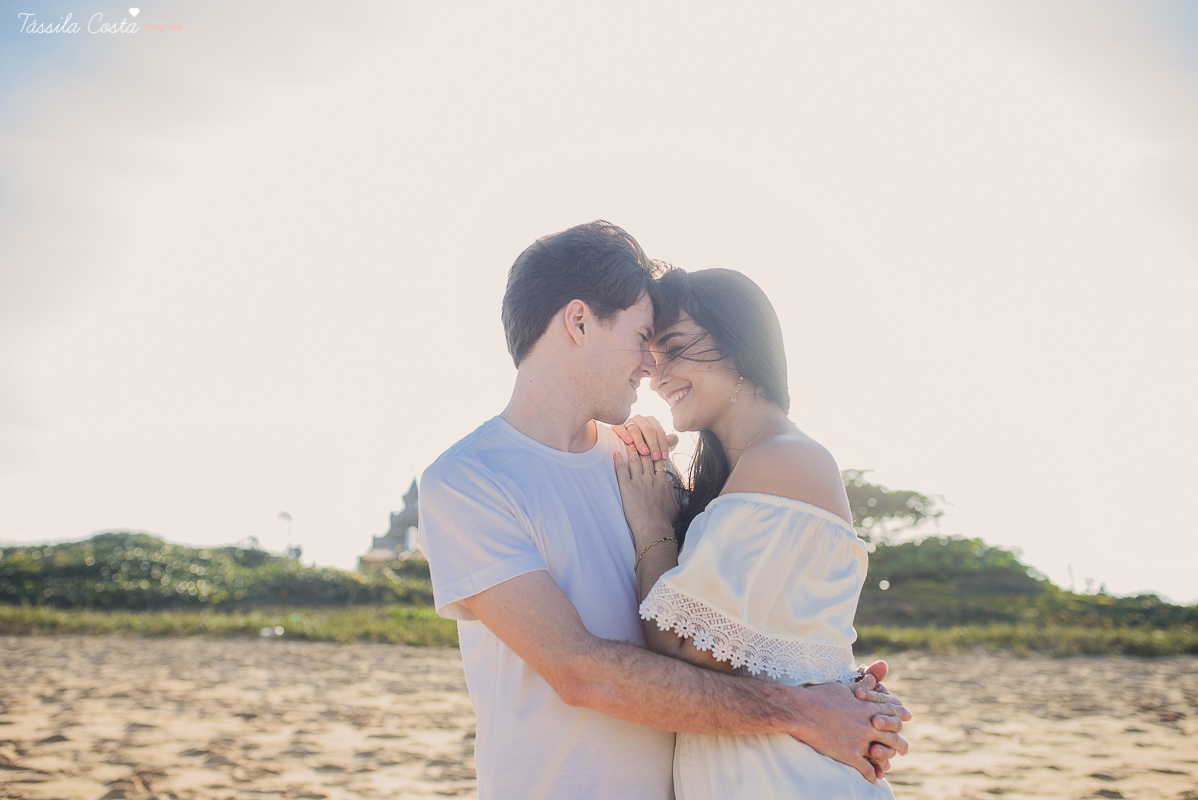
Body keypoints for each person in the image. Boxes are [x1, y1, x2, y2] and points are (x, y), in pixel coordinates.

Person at [417, 221, 909, 800]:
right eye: (644, 337)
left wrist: (836, 686)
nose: (652, 369)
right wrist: (806, 707)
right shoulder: (469, 480)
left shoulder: (643, 464)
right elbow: (579, 670)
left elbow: (749, 618)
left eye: (667, 347)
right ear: (579, 322)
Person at [612, 266, 898, 798]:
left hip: (789, 779)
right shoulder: (748, 471)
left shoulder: (784, 460)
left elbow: (683, 651)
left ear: (738, 347)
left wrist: (651, 524)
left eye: (673, 348)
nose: (657, 375)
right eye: (652, 358)